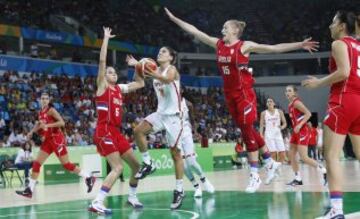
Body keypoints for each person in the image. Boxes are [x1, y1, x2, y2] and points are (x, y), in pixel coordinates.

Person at [164, 7, 318, 192]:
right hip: (229, 94)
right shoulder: (218, 44)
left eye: (225, 27)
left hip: (244, 94)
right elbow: (195, 31)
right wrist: (174, 19)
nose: (222, 29)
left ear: (235, 30)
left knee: (246, 129)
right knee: (248, 129)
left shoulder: (245, 46)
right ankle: (270, 162)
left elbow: (273, 49)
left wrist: (299, 45)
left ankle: (254, 174)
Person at [302, 11, 360, 219]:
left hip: (343, 100)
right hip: (359, 102)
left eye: (333, 22)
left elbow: (344, 72)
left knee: (331, 156)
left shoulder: (339, 44)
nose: (330, 26)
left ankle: (336, 210)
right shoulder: (359, 46)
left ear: (343, 26)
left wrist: (318, 83)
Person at [88, 27, 145, 215]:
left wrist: (138, 66)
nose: (112, 73)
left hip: (116, 132)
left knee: (137, 166)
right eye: (109, 72)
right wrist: (105, 38)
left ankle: (132, 196)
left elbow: (140, 84)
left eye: (114, 72)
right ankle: (97, 201)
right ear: (104, 76)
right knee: (118, 167)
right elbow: (102, 61)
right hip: (104, 130)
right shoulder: (102, 86)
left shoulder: (119, 89)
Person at [128, 46, 185, 209]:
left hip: (174, 117)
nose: (160, 53)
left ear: (171, 58)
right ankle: (148, 162)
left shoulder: (172, 69)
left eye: (164, 52)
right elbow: (138, 81)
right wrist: (138, 66)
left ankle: (179, 190)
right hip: (161, 114)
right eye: (159, 51)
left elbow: (167, 79)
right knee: (138, 130)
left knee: (175, 154)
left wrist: (145, 66)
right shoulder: (153, 68)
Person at [15, 92, 95, 198]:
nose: (44, 100)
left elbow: (62, 122)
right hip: (48, 141)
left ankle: (88, 176)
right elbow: (39, 124)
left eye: (46, 98)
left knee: (66, 165)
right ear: (40, 100)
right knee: (36, 164)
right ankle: (30, 189)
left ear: (49, 100)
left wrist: (47, 125)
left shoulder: (51, 110)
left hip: (57, 140)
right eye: (42, 98)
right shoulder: (40, 112)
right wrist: (31, 132)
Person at [284, 85, 327, 186]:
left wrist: (299, 125)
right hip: (296, 132)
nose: (287, 92)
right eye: (286, 91)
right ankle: (298, 178)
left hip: (303, 131)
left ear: (295, 93)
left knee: (304, 157)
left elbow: (308, 114)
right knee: (291, 154)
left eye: (289, 91)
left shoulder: (297, 103)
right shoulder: (290, 104)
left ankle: (324, 171)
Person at [180, 95, 215, 198]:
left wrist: (194, 131)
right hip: (174, 135)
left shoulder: (188, 104)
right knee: (183, 166)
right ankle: (196, 187)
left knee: (191, 162)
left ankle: (205, 180)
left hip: (186, 133)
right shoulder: (168, 101)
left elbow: (192, 118)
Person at [259, 98, 287, 163]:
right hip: (269, 135)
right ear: (266, 104)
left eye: (271, 101)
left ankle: (278, 166)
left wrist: (282, 127)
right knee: (273, 153)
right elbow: (261, 126)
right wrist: (261, 135)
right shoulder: (263, 113)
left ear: (274, 103)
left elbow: (285, 123)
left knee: (282, 153)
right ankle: (273, 168)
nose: (269, 102)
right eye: (268, 101)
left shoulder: (279, 111)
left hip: (278, 134)